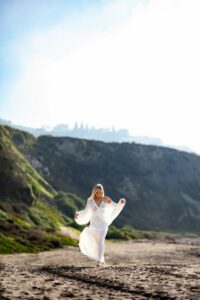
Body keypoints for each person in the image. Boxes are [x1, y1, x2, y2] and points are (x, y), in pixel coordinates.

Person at [74, 183, 126, 267]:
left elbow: (114, 206)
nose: (99, 194)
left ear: (102, 192)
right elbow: (86, 211)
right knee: (96, 242)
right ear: (94, 192)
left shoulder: (105, 199)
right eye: (97, 192)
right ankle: (102, 259)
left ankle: (99, 261)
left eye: (100, 192)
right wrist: (79, 214)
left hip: (103, 224)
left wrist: (121, 203)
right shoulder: (90, 201)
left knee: (101, 241)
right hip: (94, 224)